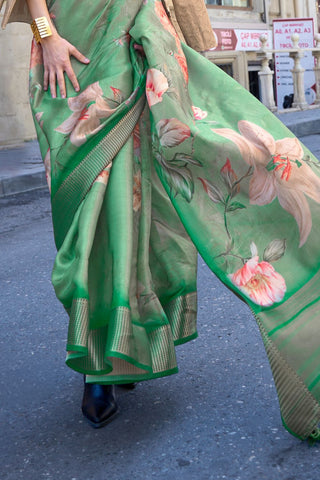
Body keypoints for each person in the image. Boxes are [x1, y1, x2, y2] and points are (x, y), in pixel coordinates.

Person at [2, 0, 320, 442]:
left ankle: (106, 359)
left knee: (134, 202)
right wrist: (45, 33)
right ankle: (109, 345)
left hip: (133, 33)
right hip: (71, 40)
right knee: (81, 210)